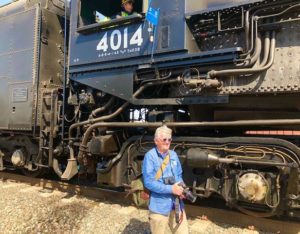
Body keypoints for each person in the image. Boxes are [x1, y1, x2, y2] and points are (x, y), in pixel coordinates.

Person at [142, 126, 189, 234]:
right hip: (159, 206)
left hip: (176, 204)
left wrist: (182, 187)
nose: (167, 142)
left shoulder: (173, 155)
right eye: (164, 139)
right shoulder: (150, 157)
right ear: (156, 141)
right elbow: (149, 182)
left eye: (169, 139)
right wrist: (171, 189)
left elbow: (178, 175)